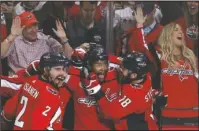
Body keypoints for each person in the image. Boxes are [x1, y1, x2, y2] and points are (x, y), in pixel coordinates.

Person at [82, 52, 168, 130]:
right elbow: (120, 61)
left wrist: (96, 90)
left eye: (124, 69)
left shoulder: (133, 96)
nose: (120, 69)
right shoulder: (145, 76)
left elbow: (108, 112)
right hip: (148, 121)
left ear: (133, 75)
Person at [1, 52, 70, 130]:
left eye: (65, 69)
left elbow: (8, 112)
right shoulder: (50, 95)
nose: (63, 74)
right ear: (46, 69)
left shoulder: (31, 80)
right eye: (57, 69)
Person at [1, 12, 73, 75]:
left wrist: (64, 39)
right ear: (21, 28)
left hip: (40, 81)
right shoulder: (14, 40)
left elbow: (68, 57)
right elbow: (1, 54)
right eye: (29, 27)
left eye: (35, 25)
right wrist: (12, 36)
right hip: (18, 82)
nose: (34, 30)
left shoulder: (46, 39)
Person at [157, 22, 198, 130]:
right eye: (176, 29)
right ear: (167, 35)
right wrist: (139, 26)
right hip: (168, 116)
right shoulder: (160, 59)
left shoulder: (192, 58)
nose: (180, 32)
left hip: (192, 115)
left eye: (181, 30)